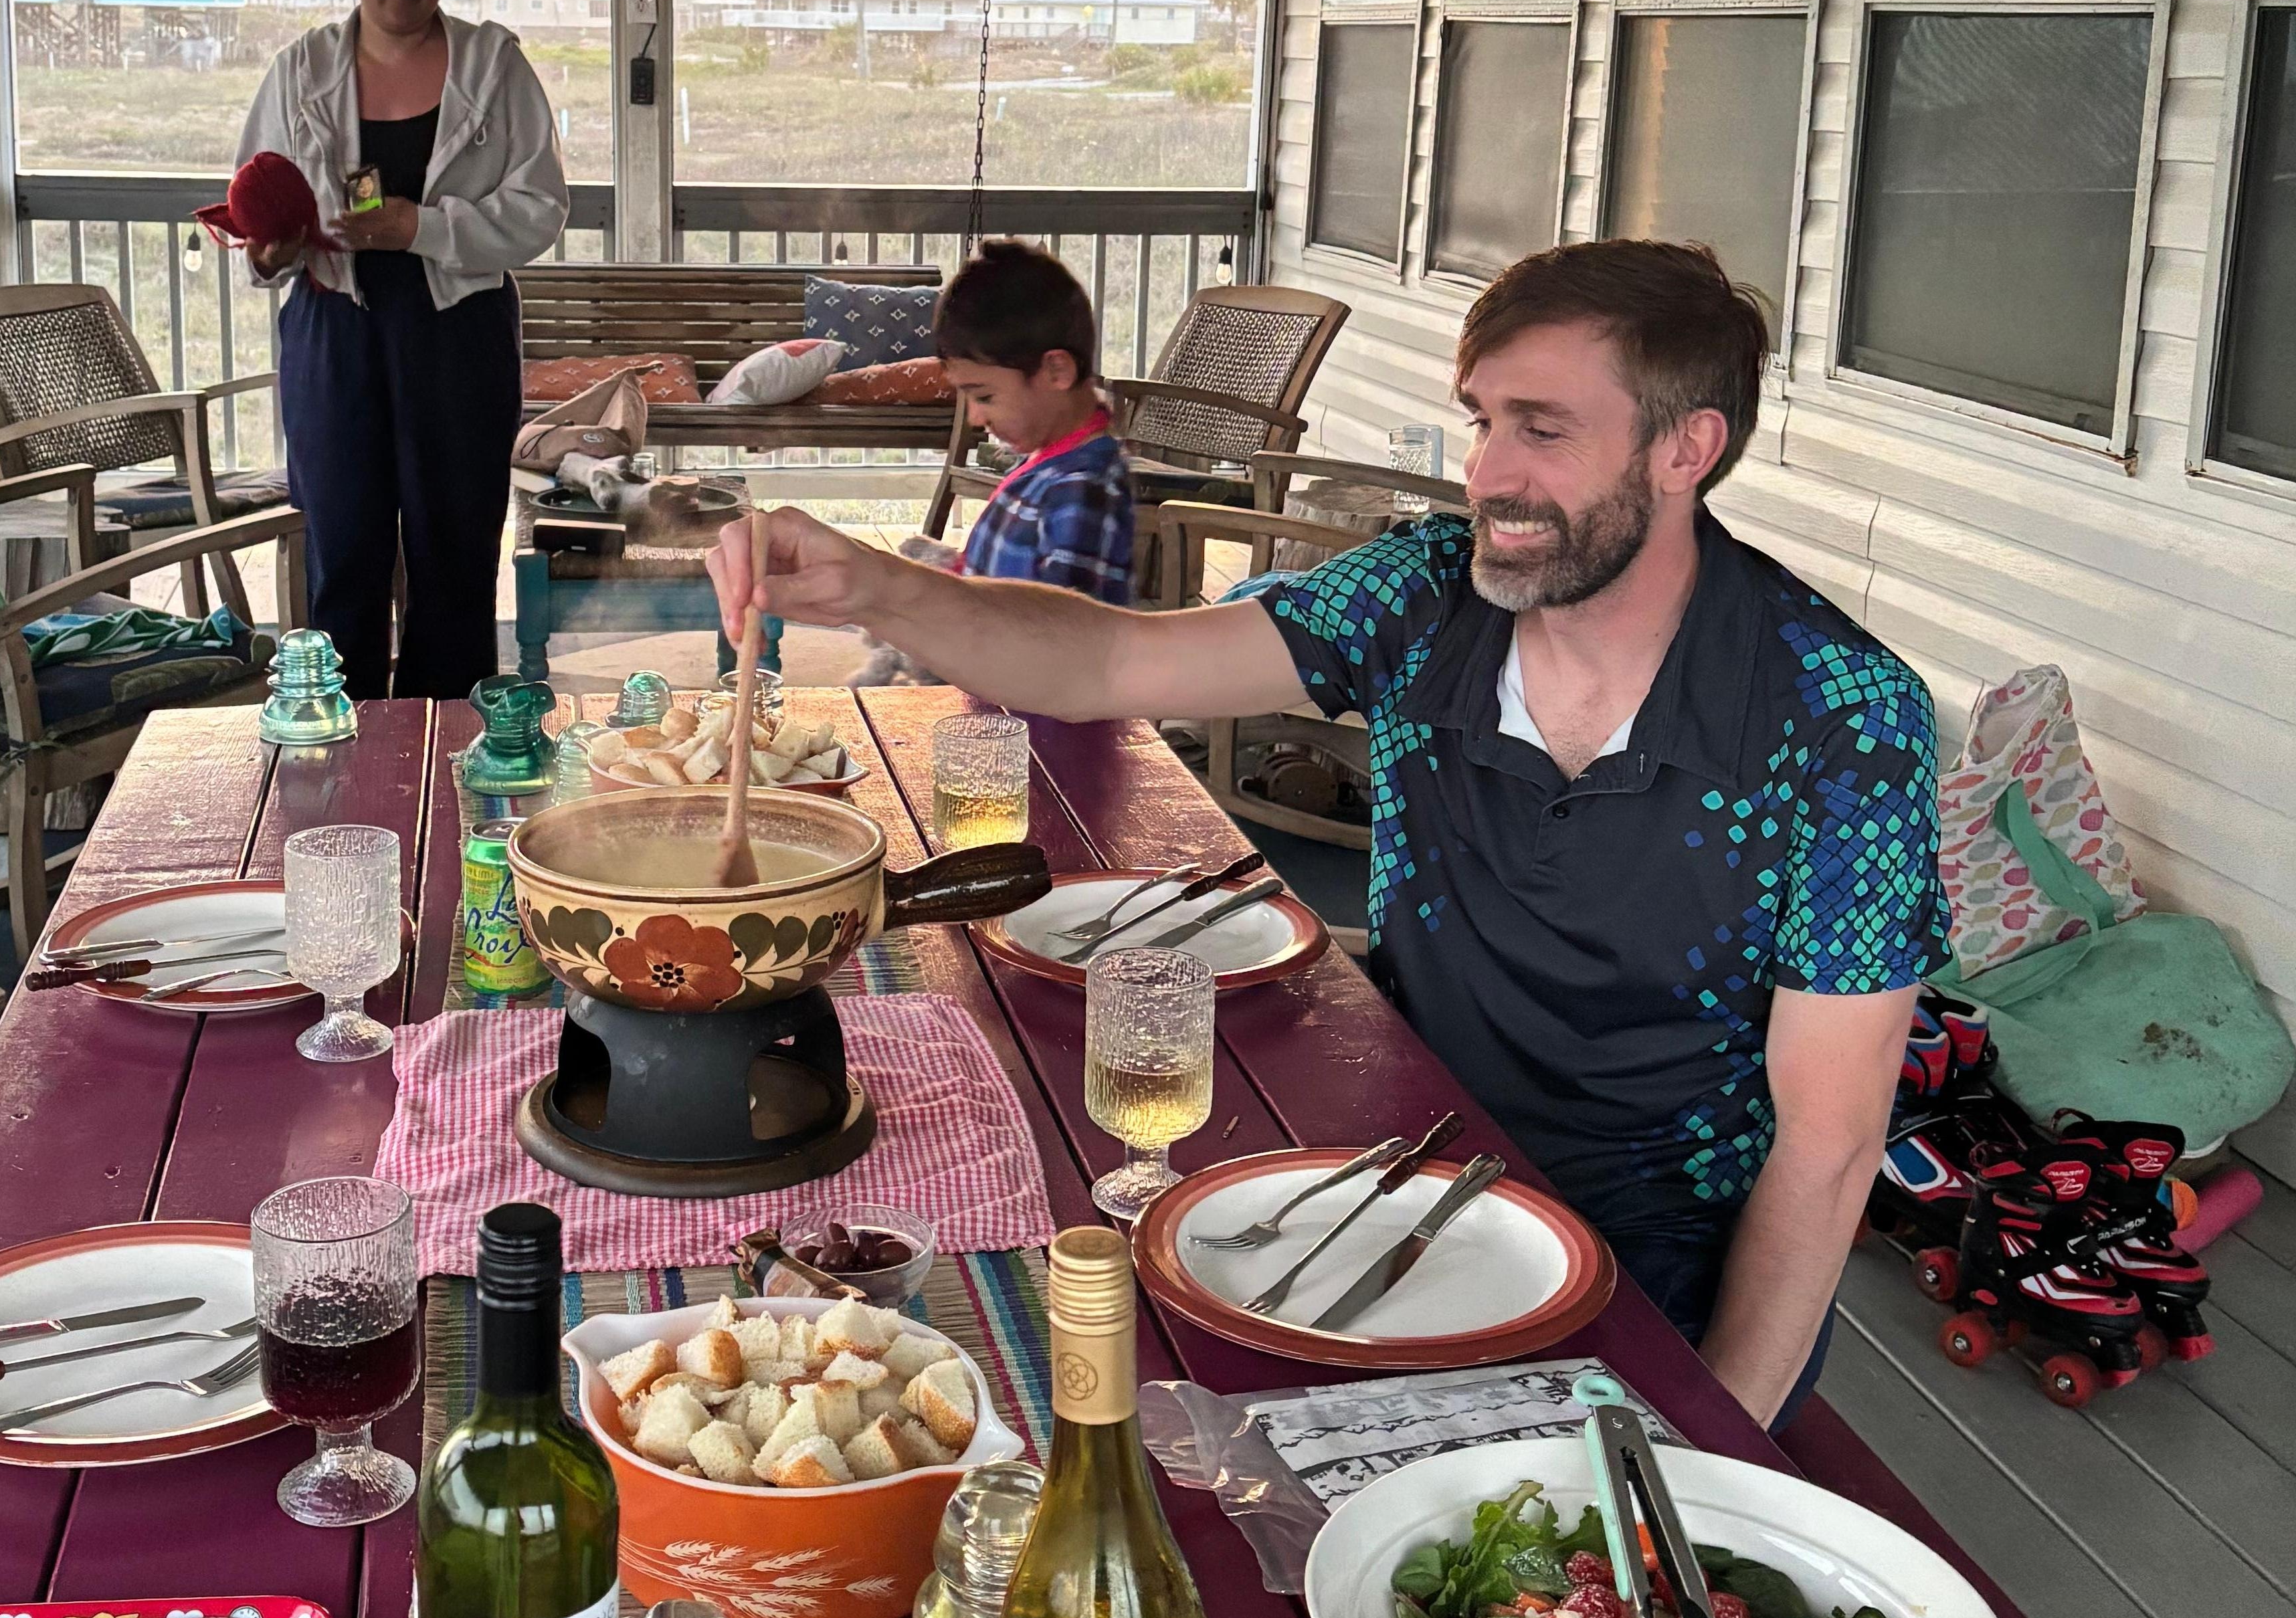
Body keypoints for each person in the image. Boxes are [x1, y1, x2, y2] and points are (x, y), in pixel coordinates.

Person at [714, 239, 1943, 1425]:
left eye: (1543, 429)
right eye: (1481, 420)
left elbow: (1830, 1147)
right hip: (1390, 1161)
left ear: (1686, 448)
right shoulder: (1421, 594)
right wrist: (875, 584)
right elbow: (1110, 655)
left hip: (1663, 1258)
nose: (1488, 473)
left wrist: (1709, 1435)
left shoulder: (1837, 713)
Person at [235, 0, 567, 698]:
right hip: (333, 327)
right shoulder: (301, 69)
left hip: (456, 331)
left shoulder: (493, 66)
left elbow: (539, 208)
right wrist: (269, 252)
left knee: (455, 550)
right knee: (342, 549)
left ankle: (451, 750)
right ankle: (339, 761)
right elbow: (257, 193)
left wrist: (418, 227)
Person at [935, 241, 1137, 601]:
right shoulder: (1050, 468)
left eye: (984, 396)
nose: (976, 417)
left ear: (1056, 371)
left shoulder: (1084, 490)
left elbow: (1067, 636)